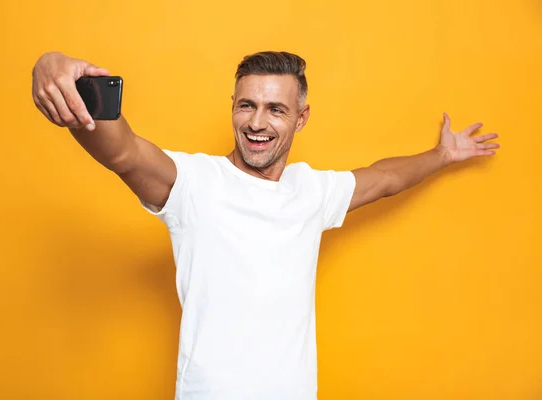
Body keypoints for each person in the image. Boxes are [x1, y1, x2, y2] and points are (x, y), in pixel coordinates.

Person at [31, 51, 500, 400]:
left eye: (276, 109)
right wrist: (55, 69)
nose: (258, 123)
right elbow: (123, 152)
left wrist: (443, 155)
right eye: (246, 105)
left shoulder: (310, 191)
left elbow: (384, 179)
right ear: (232, 106)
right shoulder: (195, 184)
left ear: (301, 117)